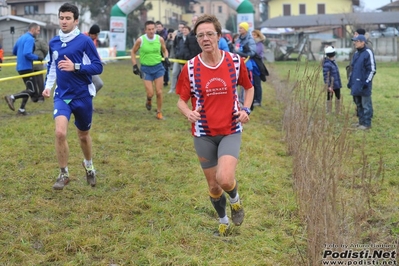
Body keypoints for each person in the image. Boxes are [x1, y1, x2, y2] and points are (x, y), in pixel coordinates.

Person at [176, 14, 254, 237]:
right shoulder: (190, 68)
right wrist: (188, 113)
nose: (205, 38)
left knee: (225, 179)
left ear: (219, 36)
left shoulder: (235, 62)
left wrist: (246, 110)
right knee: (213, 187)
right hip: (204, 134)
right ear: (197, 39)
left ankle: (236, 201)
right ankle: (223, 222)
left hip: (230, 129)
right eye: (200, 35)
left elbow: (249, 88)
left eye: (210, 34)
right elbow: (181, 100)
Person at [42, 3, 103, 190]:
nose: (64, 21)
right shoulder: (53, 43)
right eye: (61, 18)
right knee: (60, 132)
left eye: (68, 18)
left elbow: (97, 67)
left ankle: (89, 165)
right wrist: (48, 86)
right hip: (62, 95)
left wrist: (75, 67)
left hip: (82, 95)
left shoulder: (84, 41)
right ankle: (63, 173)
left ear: (76, 21)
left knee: (83, 136)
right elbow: (52, 66)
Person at [131, 20, 170, 120]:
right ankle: (149, 100)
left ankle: (159, 112)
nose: (151, 31)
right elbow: (133, 52)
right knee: (150, 93)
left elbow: (165, 50)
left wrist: (166, 58)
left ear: (155, 29)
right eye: (149, 29)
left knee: (159, 92)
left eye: (153, 29)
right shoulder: (141, 40)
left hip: (158, 68)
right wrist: (135, 65)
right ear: (145, 30)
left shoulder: (160, 39)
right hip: (146, 69)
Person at [4, 23, 43, 115]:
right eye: (38, 30)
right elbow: (27, 53)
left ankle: (21, 110)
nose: (39, 32)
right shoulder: (30, 39)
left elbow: (14, 51)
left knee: (29, 88)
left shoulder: (21, 38)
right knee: (32, 91)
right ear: (33, 30)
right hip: (26, 67)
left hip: (20, 67)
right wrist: (38, 58)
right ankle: (12, 97)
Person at [347, 35, 376, 130]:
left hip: (364, 85)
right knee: (358, 104)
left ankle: (367, 124)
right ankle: (361, 122)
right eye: (354, 41)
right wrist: (350, 81)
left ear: (363, 42)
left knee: (366, 105)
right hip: (356, 84)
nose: (355, 42)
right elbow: (352, 69)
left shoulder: (368, 53)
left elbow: (372, 69)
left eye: (357, 41)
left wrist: (367, 82)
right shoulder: (355, 54)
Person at [234, 22, 256, 107]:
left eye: (241, 28)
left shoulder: (250, 40)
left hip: (247, 65)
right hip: (237, 64)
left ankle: (244, 103)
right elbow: (234, 51)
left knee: (245, 84)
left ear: (246, 29)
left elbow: (252, 53)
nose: (239, 29)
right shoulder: (238, 39)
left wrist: (239, 51)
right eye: (239, 28)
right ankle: (236, 101)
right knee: (235, 83)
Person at [169, 24, 190, 94]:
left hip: (186, 60)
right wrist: (176, 54)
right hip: (178, 58)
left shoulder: (191, 38)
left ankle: (185, 89)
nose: (184, 31)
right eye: (183, 30)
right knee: (174, 73)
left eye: (185, 30)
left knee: (184, 75)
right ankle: (172, 89)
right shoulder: (178, 38)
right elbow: (175, 46)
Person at [84, 24, 104, 94]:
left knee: (99, 84)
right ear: (92, 34)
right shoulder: (82, 37)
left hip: (89, 68)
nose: (97, 37)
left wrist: (99, 61)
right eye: (96, 35)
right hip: (80, 68)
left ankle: (86, 98)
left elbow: (94, 52)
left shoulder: (93, 40)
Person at [323, 46, 342, 114]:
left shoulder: (334, 62)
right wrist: (328, 86)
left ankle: (338, 111)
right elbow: (326, 76)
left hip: (336, 84)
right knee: (329, 97)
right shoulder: (327, 64)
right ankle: (328, 111)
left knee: (338, 96)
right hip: (330, 84)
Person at [251, 29, 266, 107]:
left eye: (254, 35)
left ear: (258, 36)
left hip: (257, 66)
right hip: (253, 66)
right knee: (253, 84)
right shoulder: (253, 43)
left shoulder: (259, 44)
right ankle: (254, 99)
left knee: (257, 84)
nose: (252, 36)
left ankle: (258, 100)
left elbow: (254, 53)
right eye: (252, 35)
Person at [33, 37, 49, 103]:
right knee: (32, 82)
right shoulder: (28, 40)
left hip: (38, 64)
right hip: (29, 65)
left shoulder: (40, 41)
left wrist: (41, 58)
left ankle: (41, 96)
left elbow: (46, 50)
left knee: (39, 81)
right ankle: (34, 96)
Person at [155, 21, 170, 87]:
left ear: (162, 27)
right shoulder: (155, 34)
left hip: (164, 52)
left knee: (165, 68)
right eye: (157, 27)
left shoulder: (165, 34)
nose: (158, 28)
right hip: (157, 53)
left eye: (159, 27)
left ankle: (166, 81)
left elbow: (163, 40)